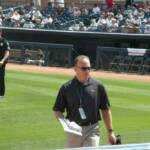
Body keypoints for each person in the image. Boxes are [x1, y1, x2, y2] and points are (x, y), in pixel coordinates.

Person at [53, 55, 116, 148]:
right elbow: (57, 110)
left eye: (89, 68)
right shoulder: (66, 88)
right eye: (84, 68)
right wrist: (67, 124)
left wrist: (110, 131)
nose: (87, 71)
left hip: (92, 129)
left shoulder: (98, 86)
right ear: (75, 69)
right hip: (73, 131)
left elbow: (105, 109)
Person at [0, 28, 10, 98]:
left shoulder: (4, 41)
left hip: (1, 63)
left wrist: (2, 60)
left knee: (1, 78)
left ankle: (1, 94)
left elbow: (7, 53)